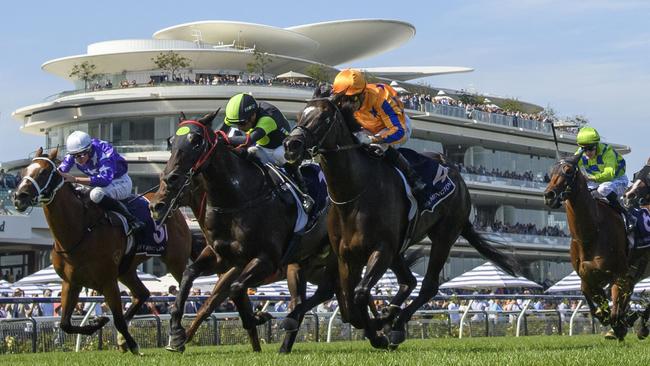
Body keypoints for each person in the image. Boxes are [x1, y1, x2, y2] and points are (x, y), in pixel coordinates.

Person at [331, 69, 428, 208]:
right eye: (342, 99)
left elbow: (398, 131)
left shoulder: (382, 98)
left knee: (376, 148)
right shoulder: (344, 97)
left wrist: (374, 139)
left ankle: (414, 179)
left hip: (396, 127)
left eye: (350, 99)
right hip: (366, 127)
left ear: (362, 94)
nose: (346, 104)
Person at [223, 93, 314, 212]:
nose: (239, 128)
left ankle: (304, 194)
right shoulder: (243, 116)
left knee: (280, 156)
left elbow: (248, 140)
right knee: (248, 153)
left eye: (241, 124)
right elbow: (223, 129)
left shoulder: (268, 118)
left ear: (253, 115)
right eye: (236, 124)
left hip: (282, 147)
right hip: (263, 147)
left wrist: (221, 139)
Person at [58, 130, 144, 235]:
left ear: (89, 150)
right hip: (98, 184)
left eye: (81, 155)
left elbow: (104, 180)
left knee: (96, 194)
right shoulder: (75, 152)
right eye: (75, 156)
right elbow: (60, 172)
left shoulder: (104, 150)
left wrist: (76, 179)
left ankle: (132, 220)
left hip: (120, 182)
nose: (78, 159)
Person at [575, 126, 633, 230]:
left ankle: (627, 215)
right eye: (584, 149)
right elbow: (572, 164)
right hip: (598, 181)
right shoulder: (581, 152)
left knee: (603, 189)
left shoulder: (608, 152)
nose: (588, 153)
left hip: (617, 180)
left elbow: (609, 174)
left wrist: (591, 178)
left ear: (596, 145)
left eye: (591, 148)